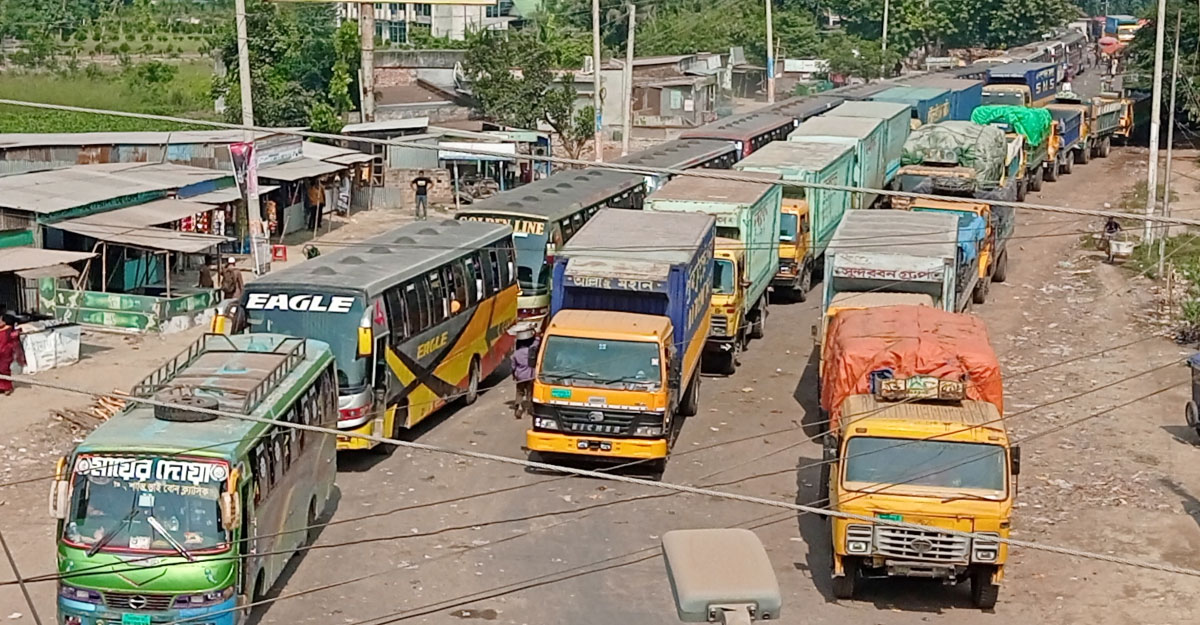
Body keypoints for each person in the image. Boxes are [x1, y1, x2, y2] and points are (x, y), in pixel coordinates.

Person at [510, 332, 541, 419]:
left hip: (520, 377)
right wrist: (537, 336)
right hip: (530, 375)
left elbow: (513, 367)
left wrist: (514, 375)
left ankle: (518, 407)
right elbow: (536, 344)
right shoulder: (530, 350)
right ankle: (529, 408)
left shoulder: (515, 354)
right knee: (529, 393)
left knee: (519, 392)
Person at [0, 314, 25, 396]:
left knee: (4, 370)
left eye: (1, 320)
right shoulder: (6, 330)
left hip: (5, 353)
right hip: (3, 352)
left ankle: (7, 387)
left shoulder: (6, 332)